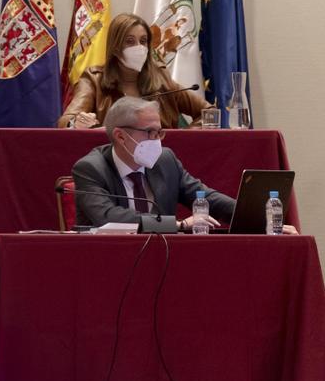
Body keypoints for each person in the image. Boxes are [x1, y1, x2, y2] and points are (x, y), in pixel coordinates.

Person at [72, 96, 297, 233]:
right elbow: (109, 217)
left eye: (159, 132)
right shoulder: (90, 169)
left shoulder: (165, 160)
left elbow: (206, 197)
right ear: (120, 136)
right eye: (150, 132)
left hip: (163, 261)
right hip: (107, 264)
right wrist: (178, 225)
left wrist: (259, 220)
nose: (156, 141)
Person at [59, 12, 210, 129]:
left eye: (143, 41)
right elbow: (65, 121)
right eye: (130, 41)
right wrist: (75, 122)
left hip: (158, 160)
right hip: (110, 161)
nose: (139, 47)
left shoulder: (161, 77)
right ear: (116, 47)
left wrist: (182, 139)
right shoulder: (94, 79)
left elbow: (209, 113)